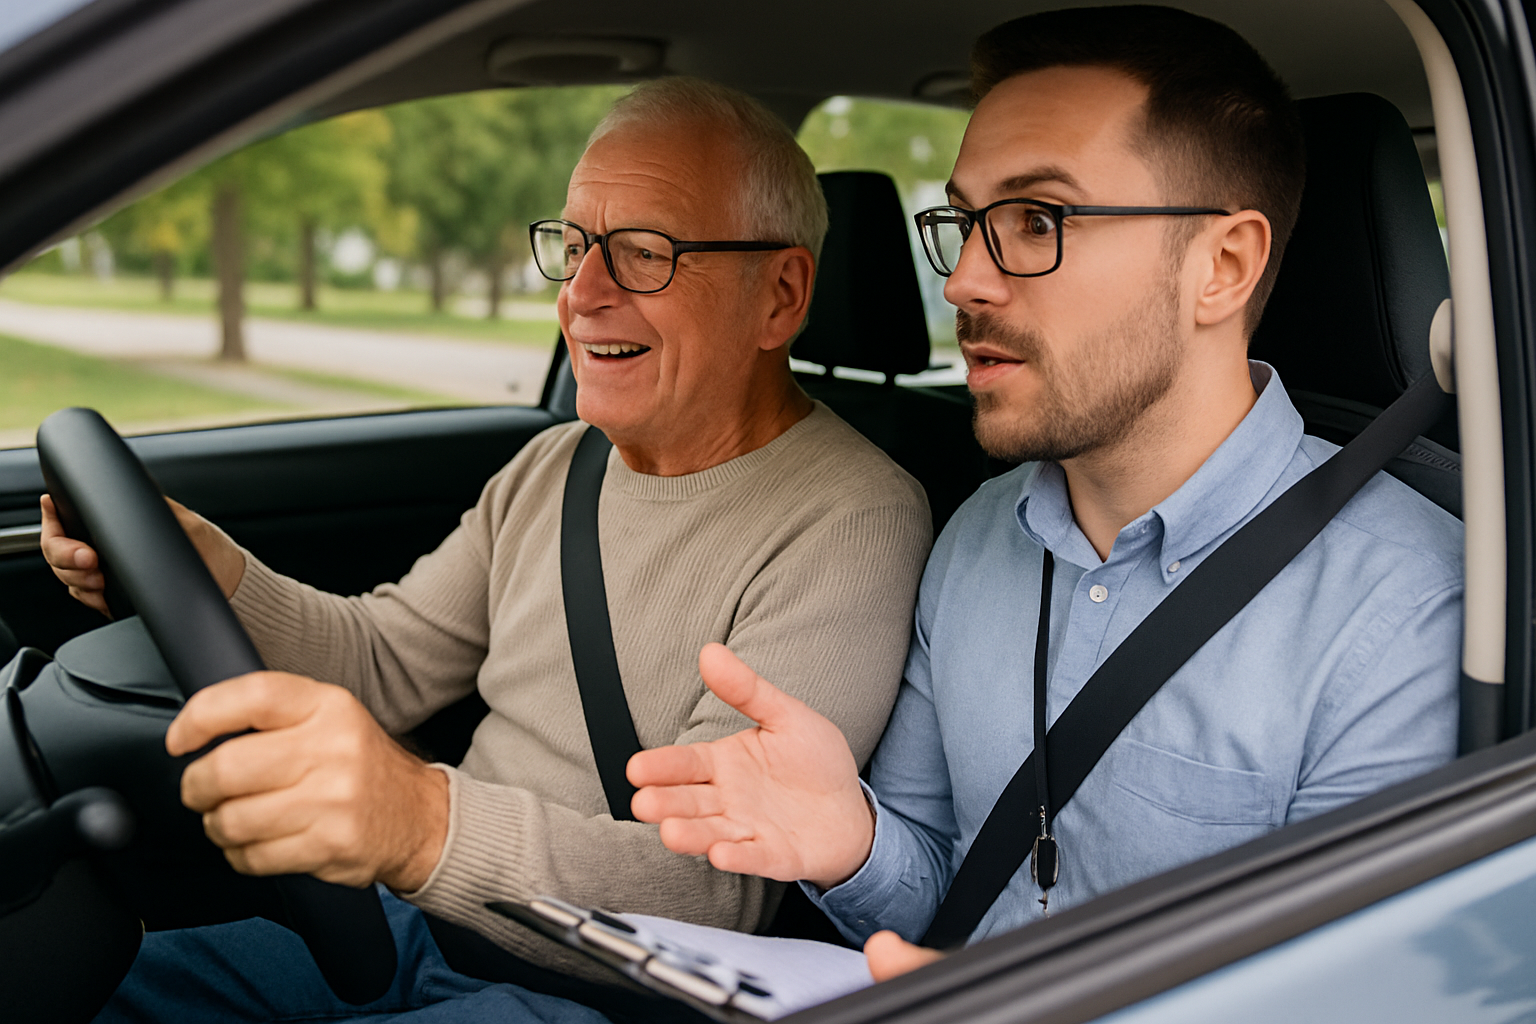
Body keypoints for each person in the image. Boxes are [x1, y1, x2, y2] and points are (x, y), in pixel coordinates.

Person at [44, 77, 932, 1021]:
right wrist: (214, 571)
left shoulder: (853, 518)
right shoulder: (556, 465)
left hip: (600, 989)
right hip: (418, 921)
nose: (583, 294)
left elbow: (713, 891)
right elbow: (383, 661)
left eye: (642, 253)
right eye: (577, 245)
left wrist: (421, 823)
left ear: (782, 295)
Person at [628, 5, 1463, 983]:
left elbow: (1349, 1003)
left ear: (1221, 266)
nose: (967, 282)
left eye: (1037, 221)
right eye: (968, 222)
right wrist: (854, 841)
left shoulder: (1404, 615)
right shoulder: (977, 536)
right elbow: (947, 897)